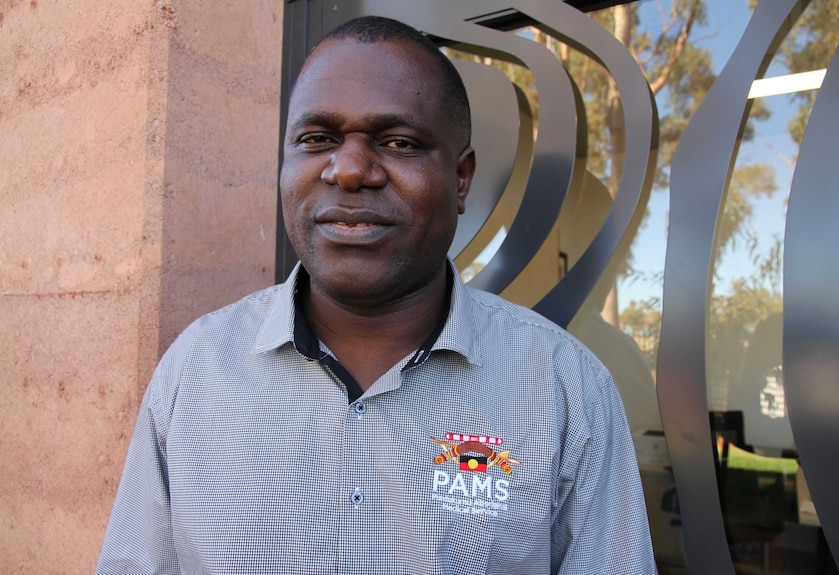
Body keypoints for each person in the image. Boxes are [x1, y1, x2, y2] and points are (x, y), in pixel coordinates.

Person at [96, 15, 656, 574]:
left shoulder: (565, 388)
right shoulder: (195, 374)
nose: (349, 171)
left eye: (397, 142)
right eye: (317, 139)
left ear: (461, 179)